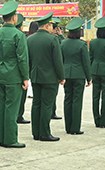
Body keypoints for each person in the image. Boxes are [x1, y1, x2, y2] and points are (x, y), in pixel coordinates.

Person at [0, 1, 29, 148]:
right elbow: (22, 58)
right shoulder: (18, 35)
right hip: (14, 75)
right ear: (14, 18)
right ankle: (10, 139)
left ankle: (2, 137)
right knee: (12, 108)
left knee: (1, 107)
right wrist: (25, 77)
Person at [26, 13, 65, 141]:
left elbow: (28, 60)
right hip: (50, 77)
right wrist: (61, 77)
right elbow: (57, 61)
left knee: (36, 104)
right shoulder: (52, 39)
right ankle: (45, 133)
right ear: (47, 25)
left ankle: (36, 132)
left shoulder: (30, 39)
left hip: (35, 76)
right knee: (47, 105)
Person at [61, 18, 90, 135]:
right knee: (77, 101)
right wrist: (89, 78)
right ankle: (75, 127)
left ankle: (68, 127)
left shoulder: (62, 43)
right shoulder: (82, 44)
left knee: (68, 99)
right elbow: (86, 62)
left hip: (66, 74)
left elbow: (60, 60)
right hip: (79, 75)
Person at [15, 14, 31, 125]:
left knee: (3, 106)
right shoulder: (20, 36)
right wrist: (25, 77)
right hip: (16, 74)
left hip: (0, 73)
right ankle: (18, 116)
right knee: (16, 102)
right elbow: (22, 58)